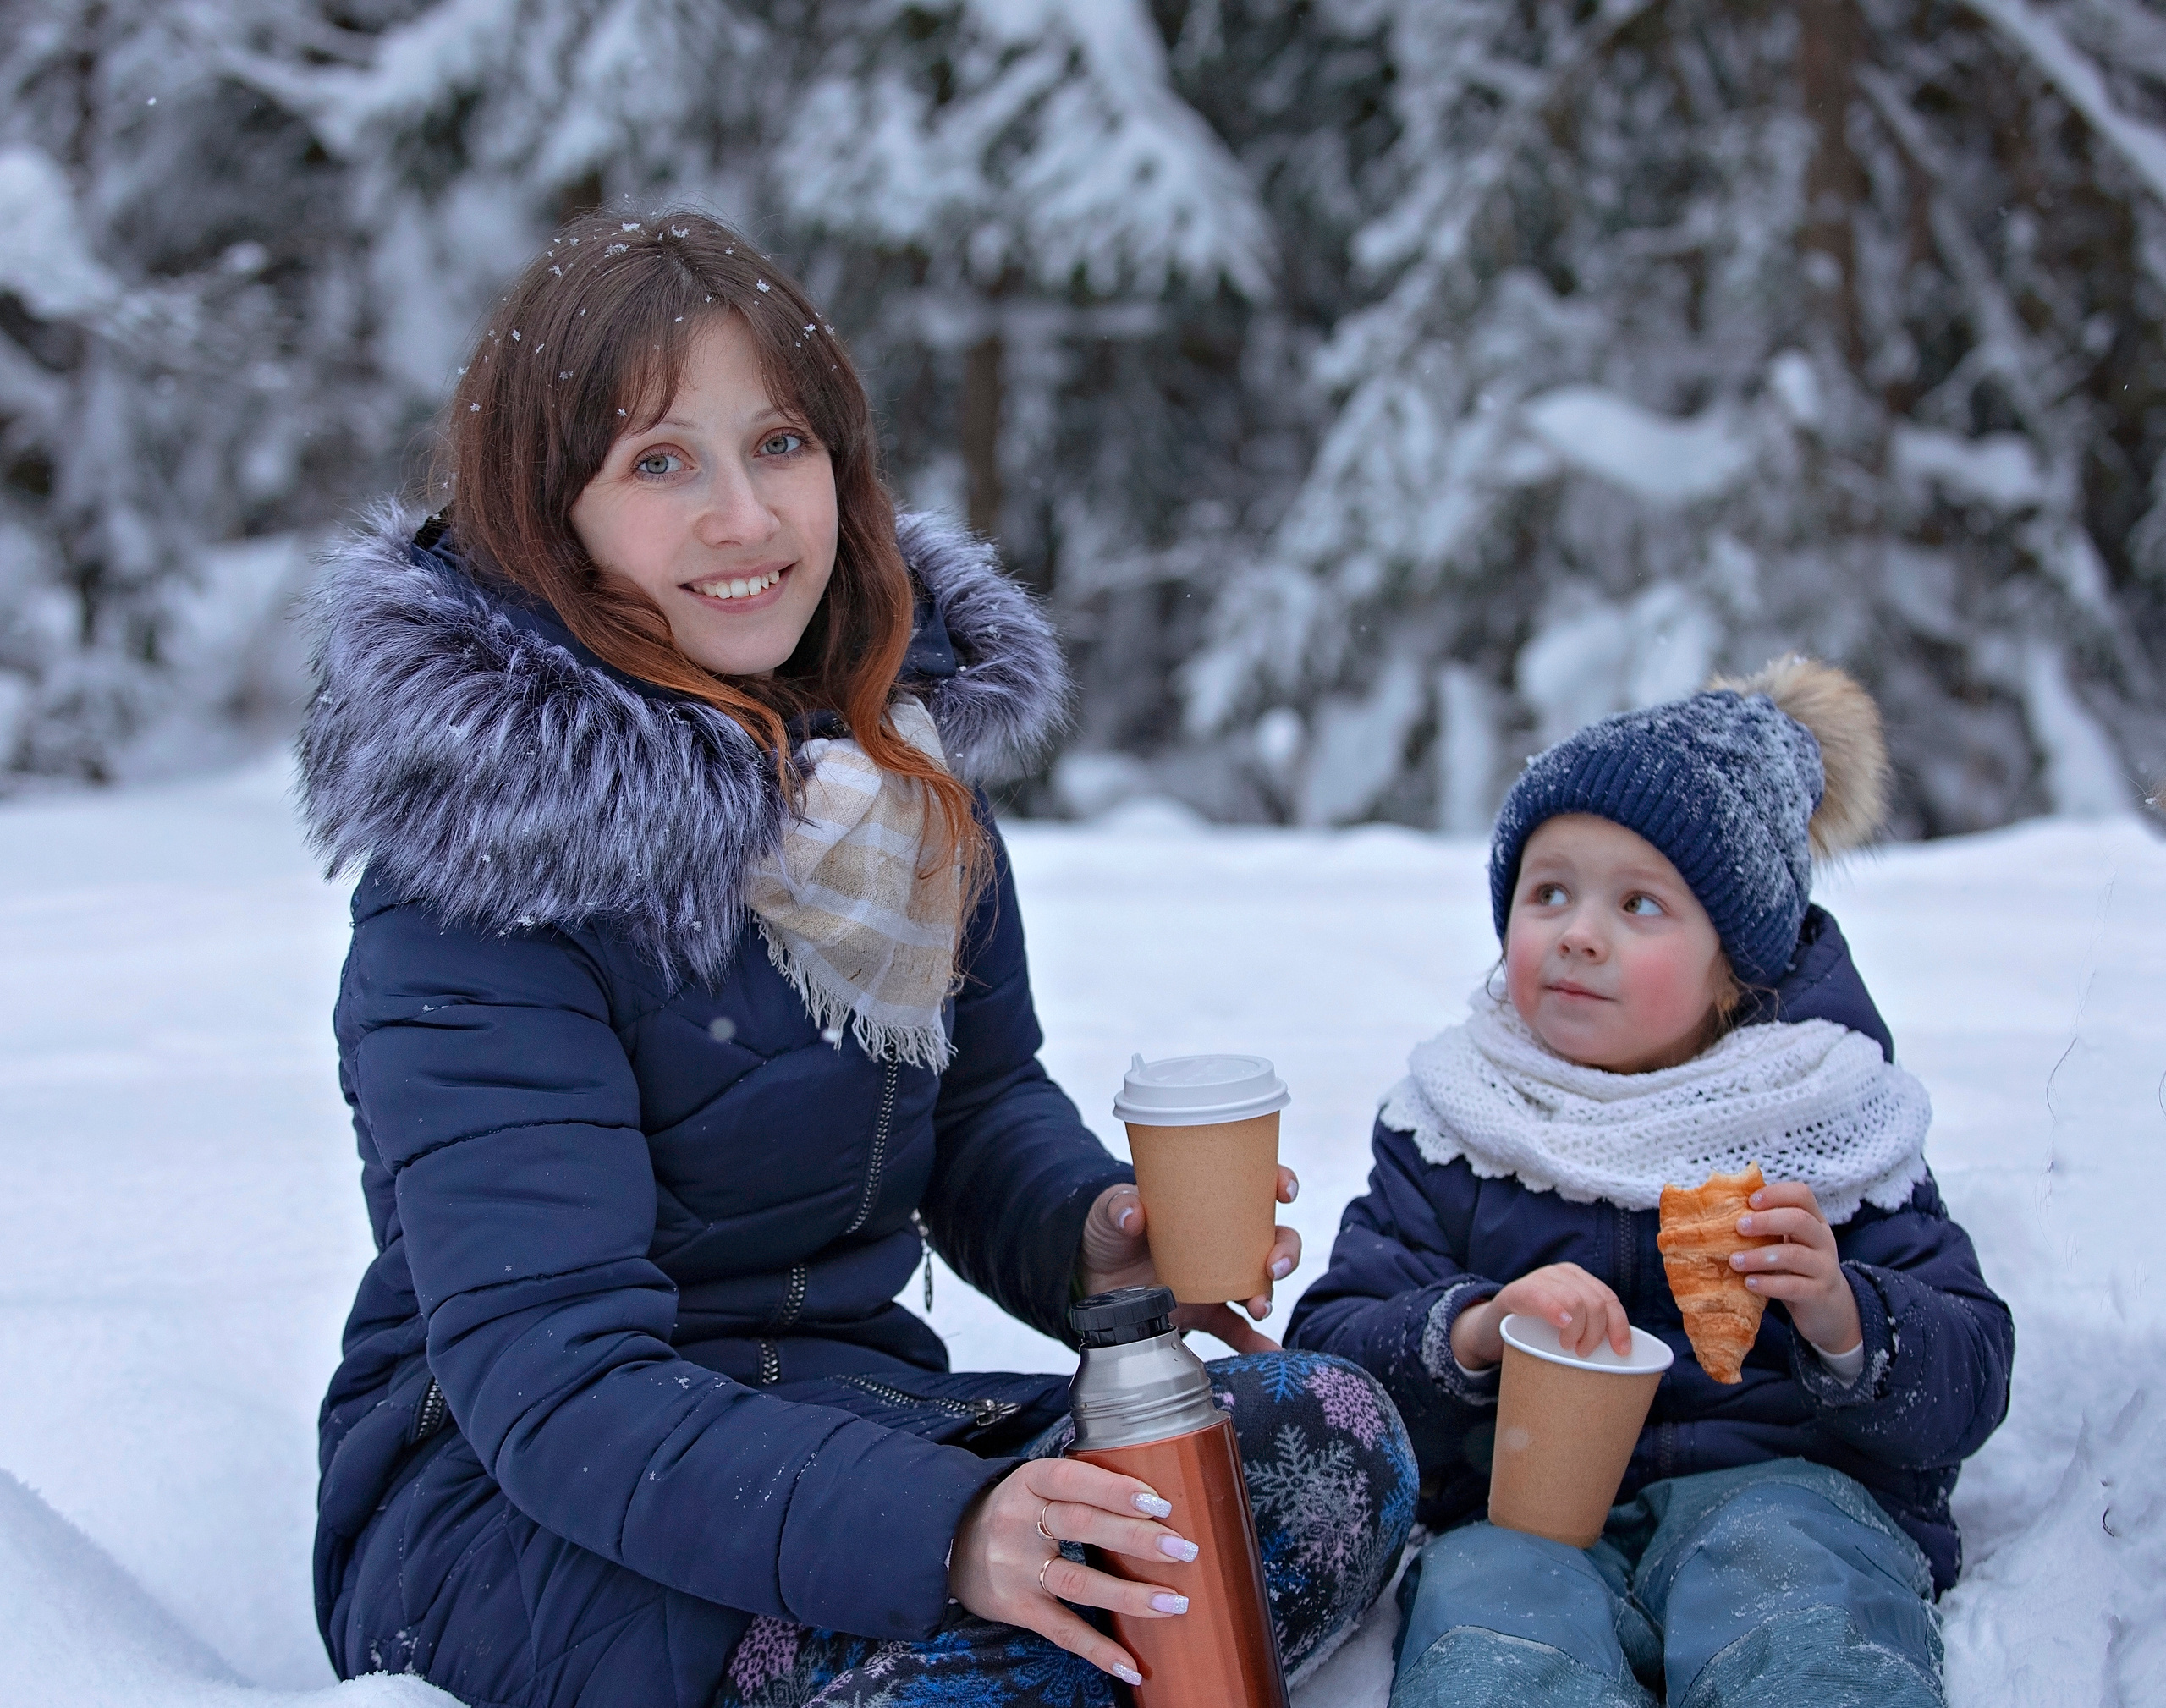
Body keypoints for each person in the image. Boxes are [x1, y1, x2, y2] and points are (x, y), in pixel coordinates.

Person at [302, 208, 1414, 1708]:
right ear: (544, 516)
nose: (746, 518)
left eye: (778, 445)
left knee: (1322, 1433)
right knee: (1090, 1606)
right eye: (658, 463)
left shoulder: (889, 786)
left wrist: (1090, 1232)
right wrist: (944, 1526)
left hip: (850, 1421)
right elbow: (555, 1380)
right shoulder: (484, 873)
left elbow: (968, 1106)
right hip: (515, 1513)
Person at [1285, 660, 2013, 1708]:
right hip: (1523, 1514)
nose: (1579, 932)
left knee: (1803, 1607)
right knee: (1490, 1622)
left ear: (1736, 966)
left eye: (1638, 903)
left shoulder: (1825, 1122)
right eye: (1548, 893)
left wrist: (1844, 1314)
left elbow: (1969, 1380)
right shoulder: (1460, 1121)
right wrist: (1472, 1331)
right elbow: (1336, 1355)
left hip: (1787, 1496)